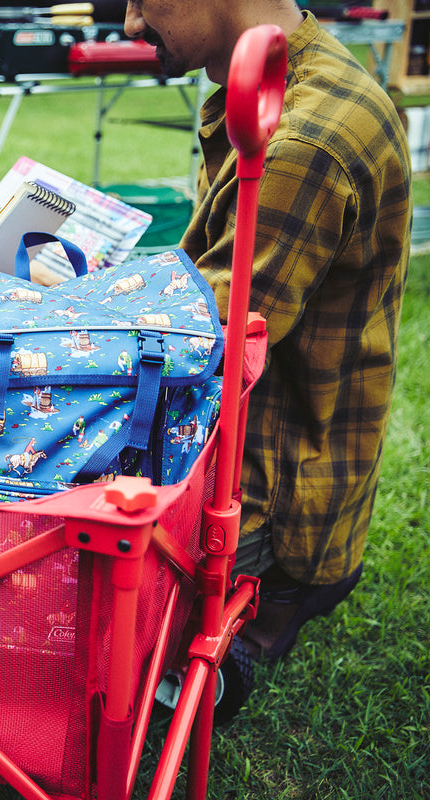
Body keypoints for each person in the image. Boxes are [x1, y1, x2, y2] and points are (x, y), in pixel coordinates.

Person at [124, 0, 411, 660]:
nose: (132, 25)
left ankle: (261, 616)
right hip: (283, 470)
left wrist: (42, 309)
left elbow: (193, 346)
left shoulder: (302, 143)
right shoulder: (297, 76)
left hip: (271, 513)